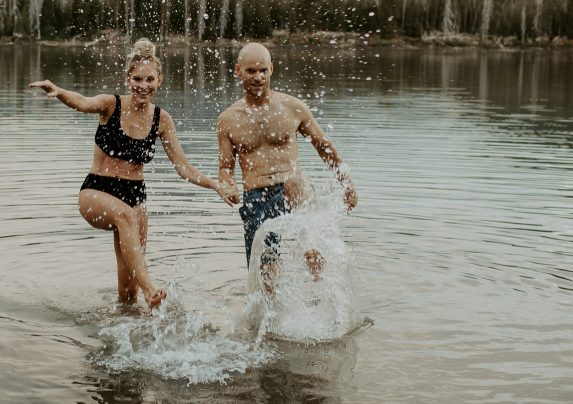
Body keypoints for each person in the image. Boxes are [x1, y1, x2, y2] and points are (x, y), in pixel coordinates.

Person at [29, 39, 236, 309]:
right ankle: (151, 290)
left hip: (135, 195)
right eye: (137, 78)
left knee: (128, 289)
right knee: (125, 216)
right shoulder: (110, 105)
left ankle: (129, 319)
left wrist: (216, 185)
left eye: (150, 79)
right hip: (97, 190)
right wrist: (59, 92)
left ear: (159, 80)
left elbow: (183, 168)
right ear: (128, 78)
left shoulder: (162, 120)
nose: (143, 85)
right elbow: (82, 102)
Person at [217, 42, 358, 279]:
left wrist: (348, 185)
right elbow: (225, 167)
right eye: (251, 71)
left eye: (263, 70)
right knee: (267, 279)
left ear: (271, 69)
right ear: (238, 71)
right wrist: (227, 185)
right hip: (255, 201)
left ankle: (310, 248)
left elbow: (323, 146)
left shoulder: (292, 107)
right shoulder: (228, 119)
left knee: (296, 182)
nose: (258, 77)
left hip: (290, 192)